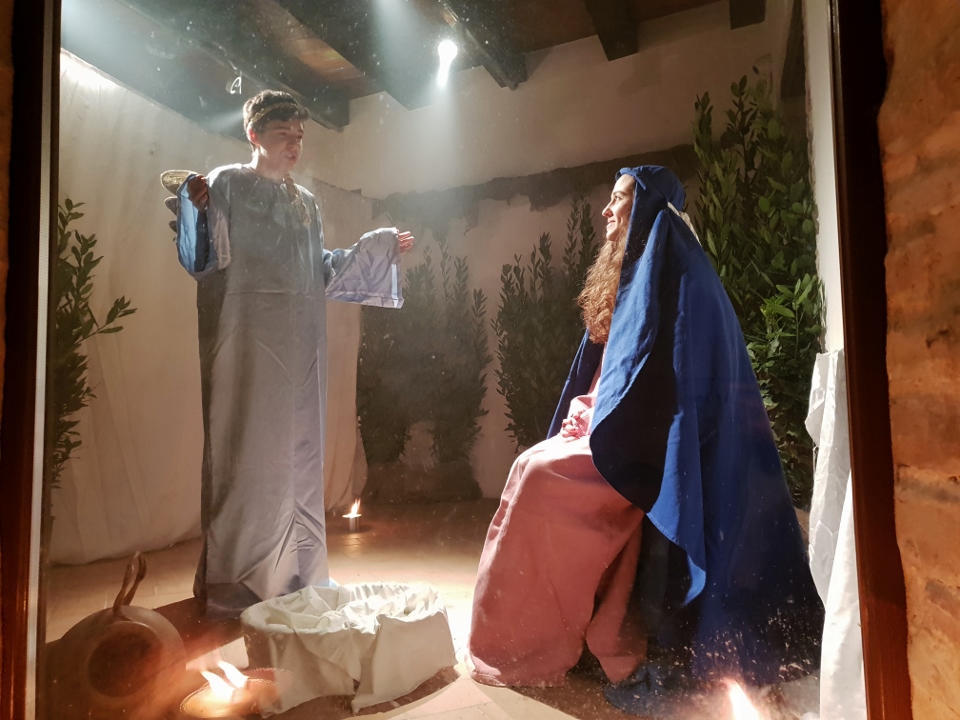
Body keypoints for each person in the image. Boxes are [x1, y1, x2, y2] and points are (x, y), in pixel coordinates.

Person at [468, 166, 823, 713]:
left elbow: (668, 388)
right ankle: (530, 635)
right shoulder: (636, 267)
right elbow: (612, 370)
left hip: (654, 445)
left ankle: (528, 647)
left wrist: (601, 420)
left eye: (619, 201)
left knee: (539, 478)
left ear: (649, 209)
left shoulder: (682, 274)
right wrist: (588, 410)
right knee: (527, 465)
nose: (606, 211)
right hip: (616, 426)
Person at [173, 90, 413, 618]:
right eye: (284, 133)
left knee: (299, 463)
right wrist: (195, 206)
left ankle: (296, 577)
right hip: (246, 346)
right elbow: (202, 259)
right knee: (249, 459)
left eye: (300, 135)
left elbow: (319, 269)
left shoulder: (306, 202)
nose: (294, 144)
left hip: (301, 353)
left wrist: (377, 247)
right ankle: (238, 585)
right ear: (254, 134)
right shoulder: (228, 183)